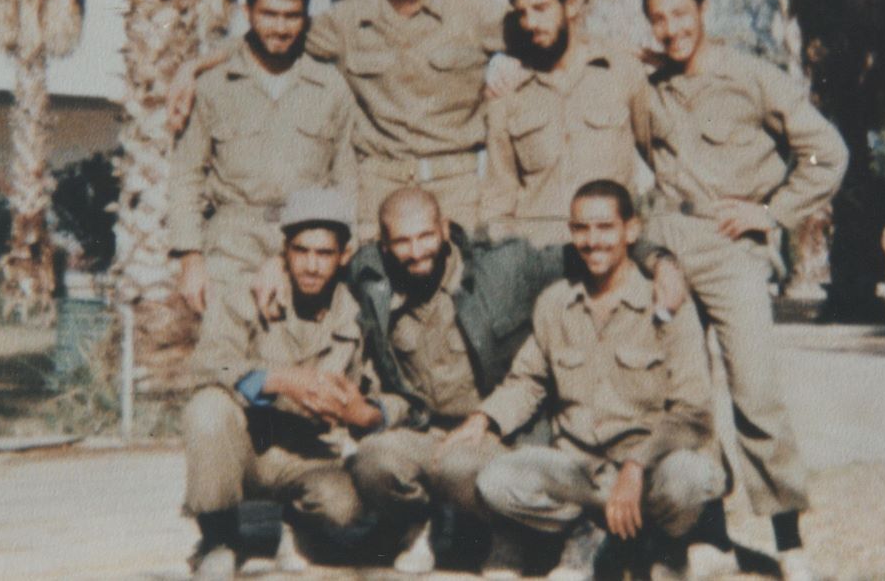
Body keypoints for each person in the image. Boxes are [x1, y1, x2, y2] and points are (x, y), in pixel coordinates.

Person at [251, 186, 689, 574]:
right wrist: (276, 264)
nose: (416, 251)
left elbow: (588, 249)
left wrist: (660, 261)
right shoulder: (372, 274)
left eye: (426, 236)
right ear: (384, 246)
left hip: (494, 430)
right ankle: (414, 525)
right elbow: (319, 256)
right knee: (373, 460)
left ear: (445, 229)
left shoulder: (503, 268)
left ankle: (505, 534)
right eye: (402, 241)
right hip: (422, 429)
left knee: (463, 468)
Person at [640, 0, 849, 581]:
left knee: (755, 393)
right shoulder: (648, 88)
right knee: (687, 395)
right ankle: (711, 536)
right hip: (671, 244)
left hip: (732, 246)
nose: (672, 29)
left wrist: (772, 213)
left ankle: (789, 541)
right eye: (659, 18)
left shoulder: (752, 76)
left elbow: (827, 152)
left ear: (703, 9)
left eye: (681, 13)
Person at [169, 0, 506, 240]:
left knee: (463, 270)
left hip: (456, 188)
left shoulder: (473, 15)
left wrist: (512, 67)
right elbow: (275, 35)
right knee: (369, 271)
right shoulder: (346, 23)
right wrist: (194, 67)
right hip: (376, 187)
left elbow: (534, 35)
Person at [450, 180, 726, 580]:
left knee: (691, 477)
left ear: (631, 230)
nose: (592, 241)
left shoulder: (667, 304)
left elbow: (693, 411)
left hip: (648, 468)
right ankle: (591, 531)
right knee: (496, 481)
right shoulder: (555, 304)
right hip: (579, 473)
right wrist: (484, 418)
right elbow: (527, 381)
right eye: (581, 229)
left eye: (605, 228)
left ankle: (663, 543)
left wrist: (637, 463)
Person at [183, 188, 401, 580]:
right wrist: (278, 380)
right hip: (247, 445)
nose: (312, 266)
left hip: (308, 452)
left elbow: (387, 390)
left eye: (324, 254)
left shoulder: (358, 312)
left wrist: (365, 413)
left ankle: (296, 527)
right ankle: (219, 537)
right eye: (301, 251)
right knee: (207, 409)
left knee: (343, 509)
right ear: (284, 250)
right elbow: (210, 363)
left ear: (344, 256)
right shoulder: (245, 294)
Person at [166, 0, 355, 316]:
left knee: (301, 341)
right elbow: (186, 176)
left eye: (291, 16)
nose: (280, 28)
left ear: (306, 19)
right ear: (247, 12)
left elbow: (345, 178)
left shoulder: (331, 88)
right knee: (226, 340)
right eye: (269, 14)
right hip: (232, 241)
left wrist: (342, 247)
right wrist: (190, 259)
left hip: (306, 241)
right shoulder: (214, 86)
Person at [483, 0, 653, 245]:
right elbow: (499, 197)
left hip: (610, 250)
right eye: (522, 13)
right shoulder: (509, 93)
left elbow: (664, 159)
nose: (530, 23)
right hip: (540, 253)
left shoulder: (621, 73)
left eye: (541, 8)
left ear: (571, 6)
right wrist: (505, 254)